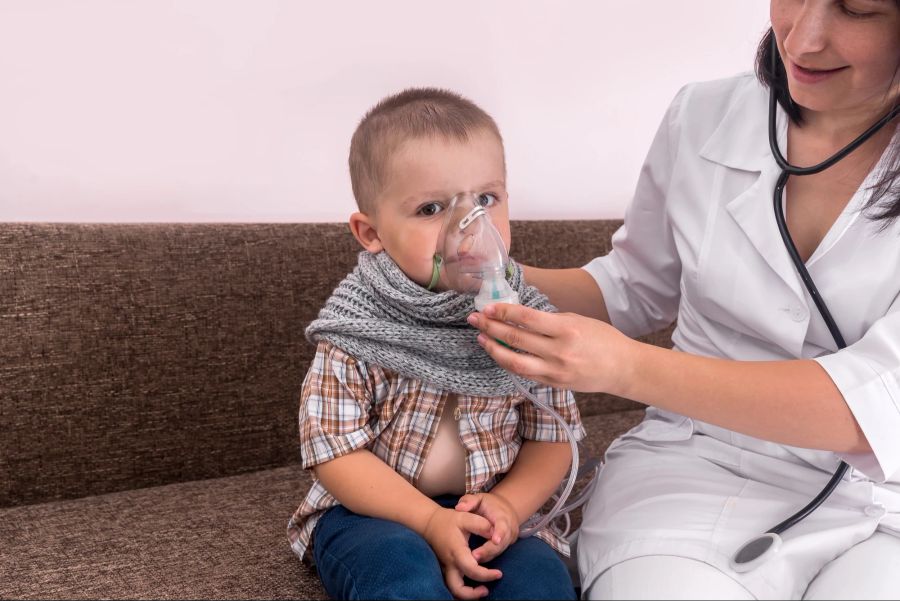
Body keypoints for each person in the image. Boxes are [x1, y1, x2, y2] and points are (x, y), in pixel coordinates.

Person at [466, 1, 900, 599]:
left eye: (858, 9)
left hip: (885, 505)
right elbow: (631, 286)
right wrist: (485, 274)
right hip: (697, 471)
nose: (802, 39)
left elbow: (872, 407)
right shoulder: (702, 114)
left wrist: (626, 367)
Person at [286, 87, 584, 600]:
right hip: (371, 514)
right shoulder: (357, 329)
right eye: (431, 208)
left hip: (487, 506)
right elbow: (334, 453)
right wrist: (426, 520)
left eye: (486, 200)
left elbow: (552, 435)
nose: (470, 228)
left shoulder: (525, 320)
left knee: (541, 583)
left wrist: (509, 506)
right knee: (401, 577)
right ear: (370, 231)